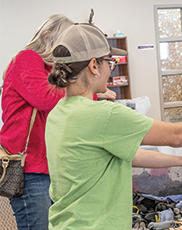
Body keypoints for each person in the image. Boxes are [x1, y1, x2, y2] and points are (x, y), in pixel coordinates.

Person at [45, 24, 182, 229]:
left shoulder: (58, 113)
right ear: (93, 66)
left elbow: (130, 156)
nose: (110, 68)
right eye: (110, 62)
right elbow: (176, 135)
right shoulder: (103, 115)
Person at [0, 15, 119, 230]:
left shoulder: (50, 70)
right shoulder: (26, 59)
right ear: (48, 37)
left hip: (49, 165)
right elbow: (46, 99)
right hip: (28, 167)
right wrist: (93, 94)